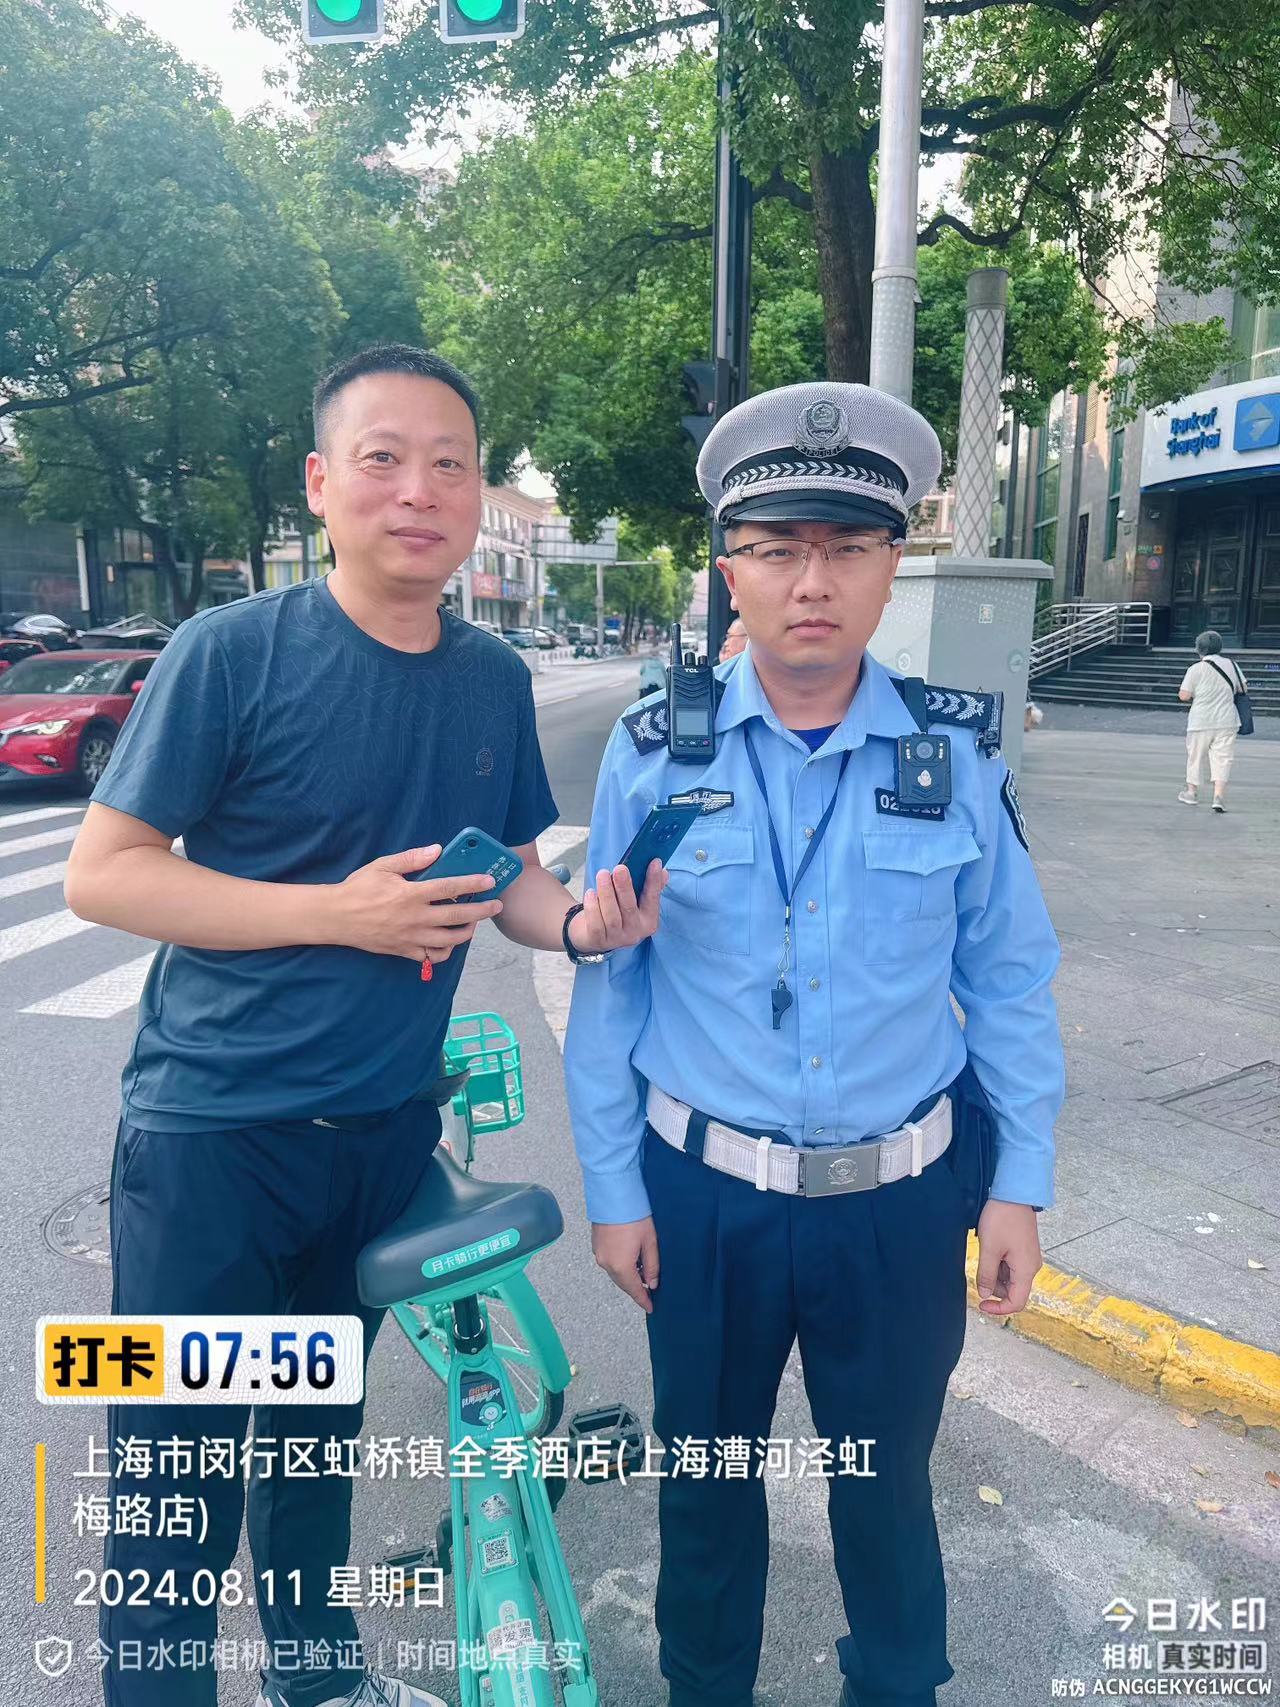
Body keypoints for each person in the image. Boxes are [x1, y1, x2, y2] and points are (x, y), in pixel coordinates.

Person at [64, 343, 663, 1707]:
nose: (419, 490)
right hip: (214, 1142)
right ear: (322, 484)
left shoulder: (489, 677)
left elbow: (511, 878)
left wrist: (582, 923)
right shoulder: (233, 652)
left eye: (450, 464)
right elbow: (104, 874)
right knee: (176, 1480)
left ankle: (319, 1680)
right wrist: (339, 914)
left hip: (383, 1141)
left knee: (311, 1447)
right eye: (383, 459)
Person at [563, 381, 1065, 1707]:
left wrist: (1017, 1183)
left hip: (899, 1203)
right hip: (704, 1197)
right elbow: (612, 981)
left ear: (892, 565)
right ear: (729, 567)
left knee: (884, 1486)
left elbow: (1010, 980)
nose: (811, 581)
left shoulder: (953, 756)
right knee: (706, 1484)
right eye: (777, 547)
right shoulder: (651, 753)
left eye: (846, 547)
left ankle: (894, 1686)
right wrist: (613, 1190)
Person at [1178, 629, 1246, 813]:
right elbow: (1243, 689)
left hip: (1200, 721)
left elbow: (1184, 695)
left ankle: (1191, 793)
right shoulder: (1232, 665)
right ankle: (1218, 797)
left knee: (1195, 757)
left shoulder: (1195, 669)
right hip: (1227, 720)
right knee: (1223, 759)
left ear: (1198, 649)